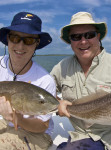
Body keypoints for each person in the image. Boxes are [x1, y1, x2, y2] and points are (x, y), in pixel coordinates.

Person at [50, 12, 111, 150]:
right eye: (76, 37)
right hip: (83, 135)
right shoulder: (61, 68)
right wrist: (58, 104)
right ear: (70, 41)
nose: (83, 41)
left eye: (89, 35)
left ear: (98, 36)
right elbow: (45, 93)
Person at [0, 12, 56, 150]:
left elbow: (42, 126)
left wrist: (17, 118)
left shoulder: (45, 80)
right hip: (5, 124)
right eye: (15, 38)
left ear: (37, 44)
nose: (20, 46)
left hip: (35, 133)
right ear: (8, 39)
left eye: (29, 40)